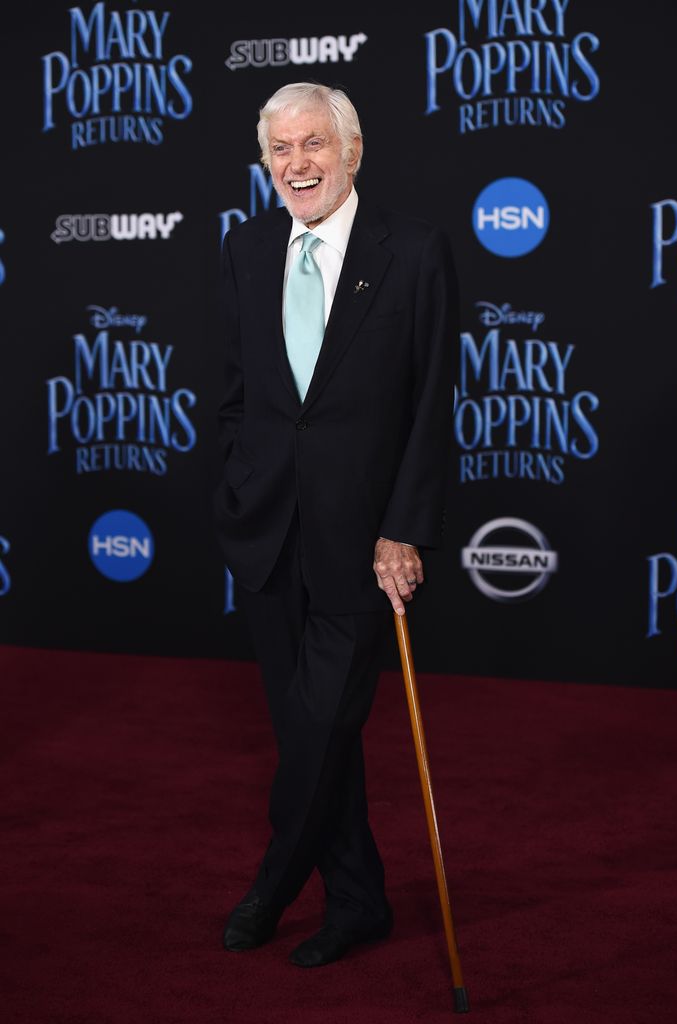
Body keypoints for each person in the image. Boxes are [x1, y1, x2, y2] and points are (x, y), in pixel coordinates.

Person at [215, 82, 459, 968]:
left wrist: (406, 529)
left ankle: (272, 886)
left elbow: (434, 406)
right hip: (268, 533)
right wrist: (237, 486)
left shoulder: (416, 253)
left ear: (351, 151)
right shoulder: (246, 247)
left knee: (318, 727)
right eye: (279, 150)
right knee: (314, 736)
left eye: (313, 143)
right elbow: (241, 395)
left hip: (365, 546)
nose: (296, 164)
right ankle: (358, 901)